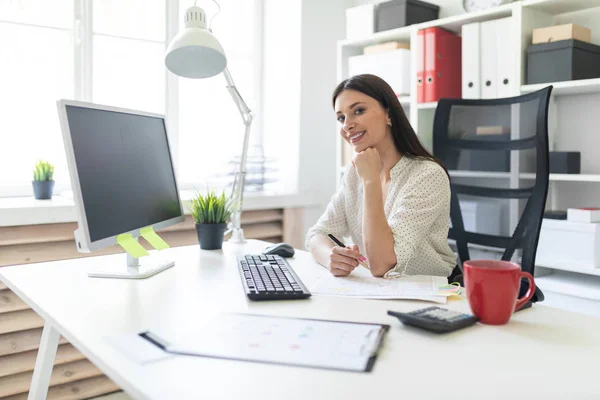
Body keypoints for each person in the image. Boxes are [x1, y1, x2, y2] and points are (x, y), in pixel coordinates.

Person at [305, 74, 456, 279]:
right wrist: (330, 257)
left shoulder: (427, 175)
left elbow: (382, 265)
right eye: (341, 118)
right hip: (378, 291)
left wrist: (370, 181)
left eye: (358, 111)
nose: (347, 125)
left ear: (388, 114)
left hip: (424, 292)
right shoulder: (354, 173)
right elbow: (318, 233)